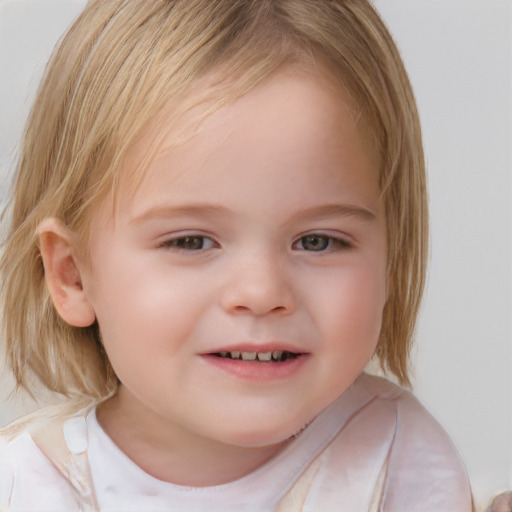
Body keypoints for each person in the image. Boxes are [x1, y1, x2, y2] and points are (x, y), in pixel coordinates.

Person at [0, 0, 473, 510]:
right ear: (72, 275)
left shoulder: (396, 457)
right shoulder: (25, 485)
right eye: (191, 241)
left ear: (389, 262)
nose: (262, 292)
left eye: (318, 240)